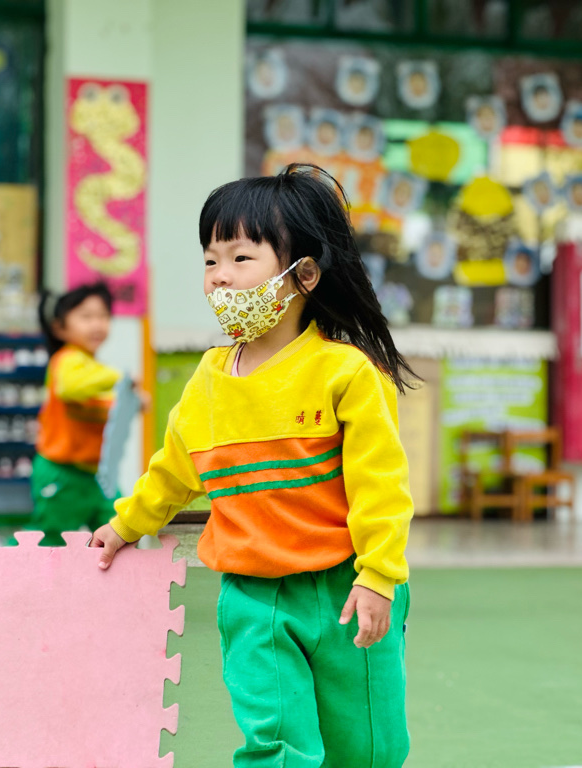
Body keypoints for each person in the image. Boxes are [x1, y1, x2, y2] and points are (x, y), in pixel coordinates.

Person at [92, 164, 417, 768]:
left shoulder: (346, 372)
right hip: (252, 597)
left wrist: (378, 576)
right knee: (275, 742)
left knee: (368, 748)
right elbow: (174, 469)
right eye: (210, 260)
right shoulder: (208, 380)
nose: (220, 276)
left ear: (304, 275)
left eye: (241, 257)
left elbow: (381, 486)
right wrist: (125, 524)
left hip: (346, 589)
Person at [31, 282, 143, 546]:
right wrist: (120, 377)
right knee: (48, 541)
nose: (97, 324)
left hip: (96, 475)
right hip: (62, 472)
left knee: (120, 530)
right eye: (86, 316)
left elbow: (103, 407)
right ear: (60, 328)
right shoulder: (68, 360)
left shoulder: (93, 368)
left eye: (103, 316)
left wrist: (133, 402)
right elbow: (70, 387)